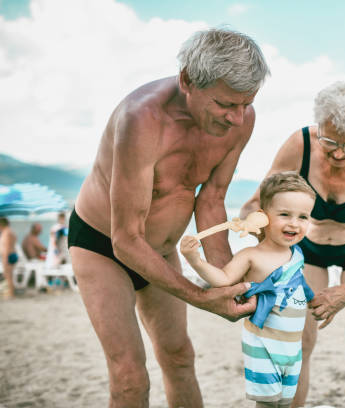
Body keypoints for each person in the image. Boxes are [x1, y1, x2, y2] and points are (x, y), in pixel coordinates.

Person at [67, 28, 270, 407]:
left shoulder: (241, 118)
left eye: (247, 104)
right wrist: (200, 296)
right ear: (188, 81)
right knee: (129, 376)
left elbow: (211, 200)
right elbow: (125, 239)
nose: (238, 119)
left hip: (160, 250)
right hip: (103, 246)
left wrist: (228, 283)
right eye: (226, 104)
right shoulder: (141, 119)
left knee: (179, 357)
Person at [241, 81, 345, 408]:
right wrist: (255, 230)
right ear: (319, 129)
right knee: (300, 341)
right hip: (308, 249)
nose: (339, 152)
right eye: (330, 141)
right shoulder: (299, 145)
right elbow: (256, 204)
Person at [181, 171, 316, 407]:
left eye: (303, 217)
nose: (294, 223)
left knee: (285, 402)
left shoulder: (296, 253)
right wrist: (195, 260)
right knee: (266, 404)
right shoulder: (251, 256)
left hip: (292, 347)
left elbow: (297, 285)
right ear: (263, 217)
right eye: (285, 214)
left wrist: (315, 299)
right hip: (263, 346)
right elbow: (223, 278)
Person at [0, 217, 19, 299]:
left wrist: (5, 259)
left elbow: (7, 246)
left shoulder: (7, 232)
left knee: (8, 275)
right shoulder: (9, 231)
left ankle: (11, 293)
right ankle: (11, 291)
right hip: (11, 254)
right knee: (9, 275)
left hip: (8, 255)